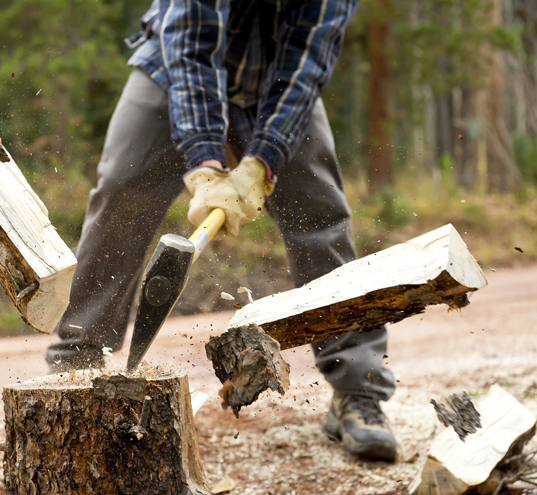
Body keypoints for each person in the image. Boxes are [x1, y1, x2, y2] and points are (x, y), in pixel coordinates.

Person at [46, 0, 398, 461]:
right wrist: (205, 163)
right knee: (121, 190)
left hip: (277, 85)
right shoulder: (185, 55)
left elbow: (308, 58)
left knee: (321, 214)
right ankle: (75, 366)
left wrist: (265, 159)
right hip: (173, 68)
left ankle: (359, 391)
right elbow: (192, 44)